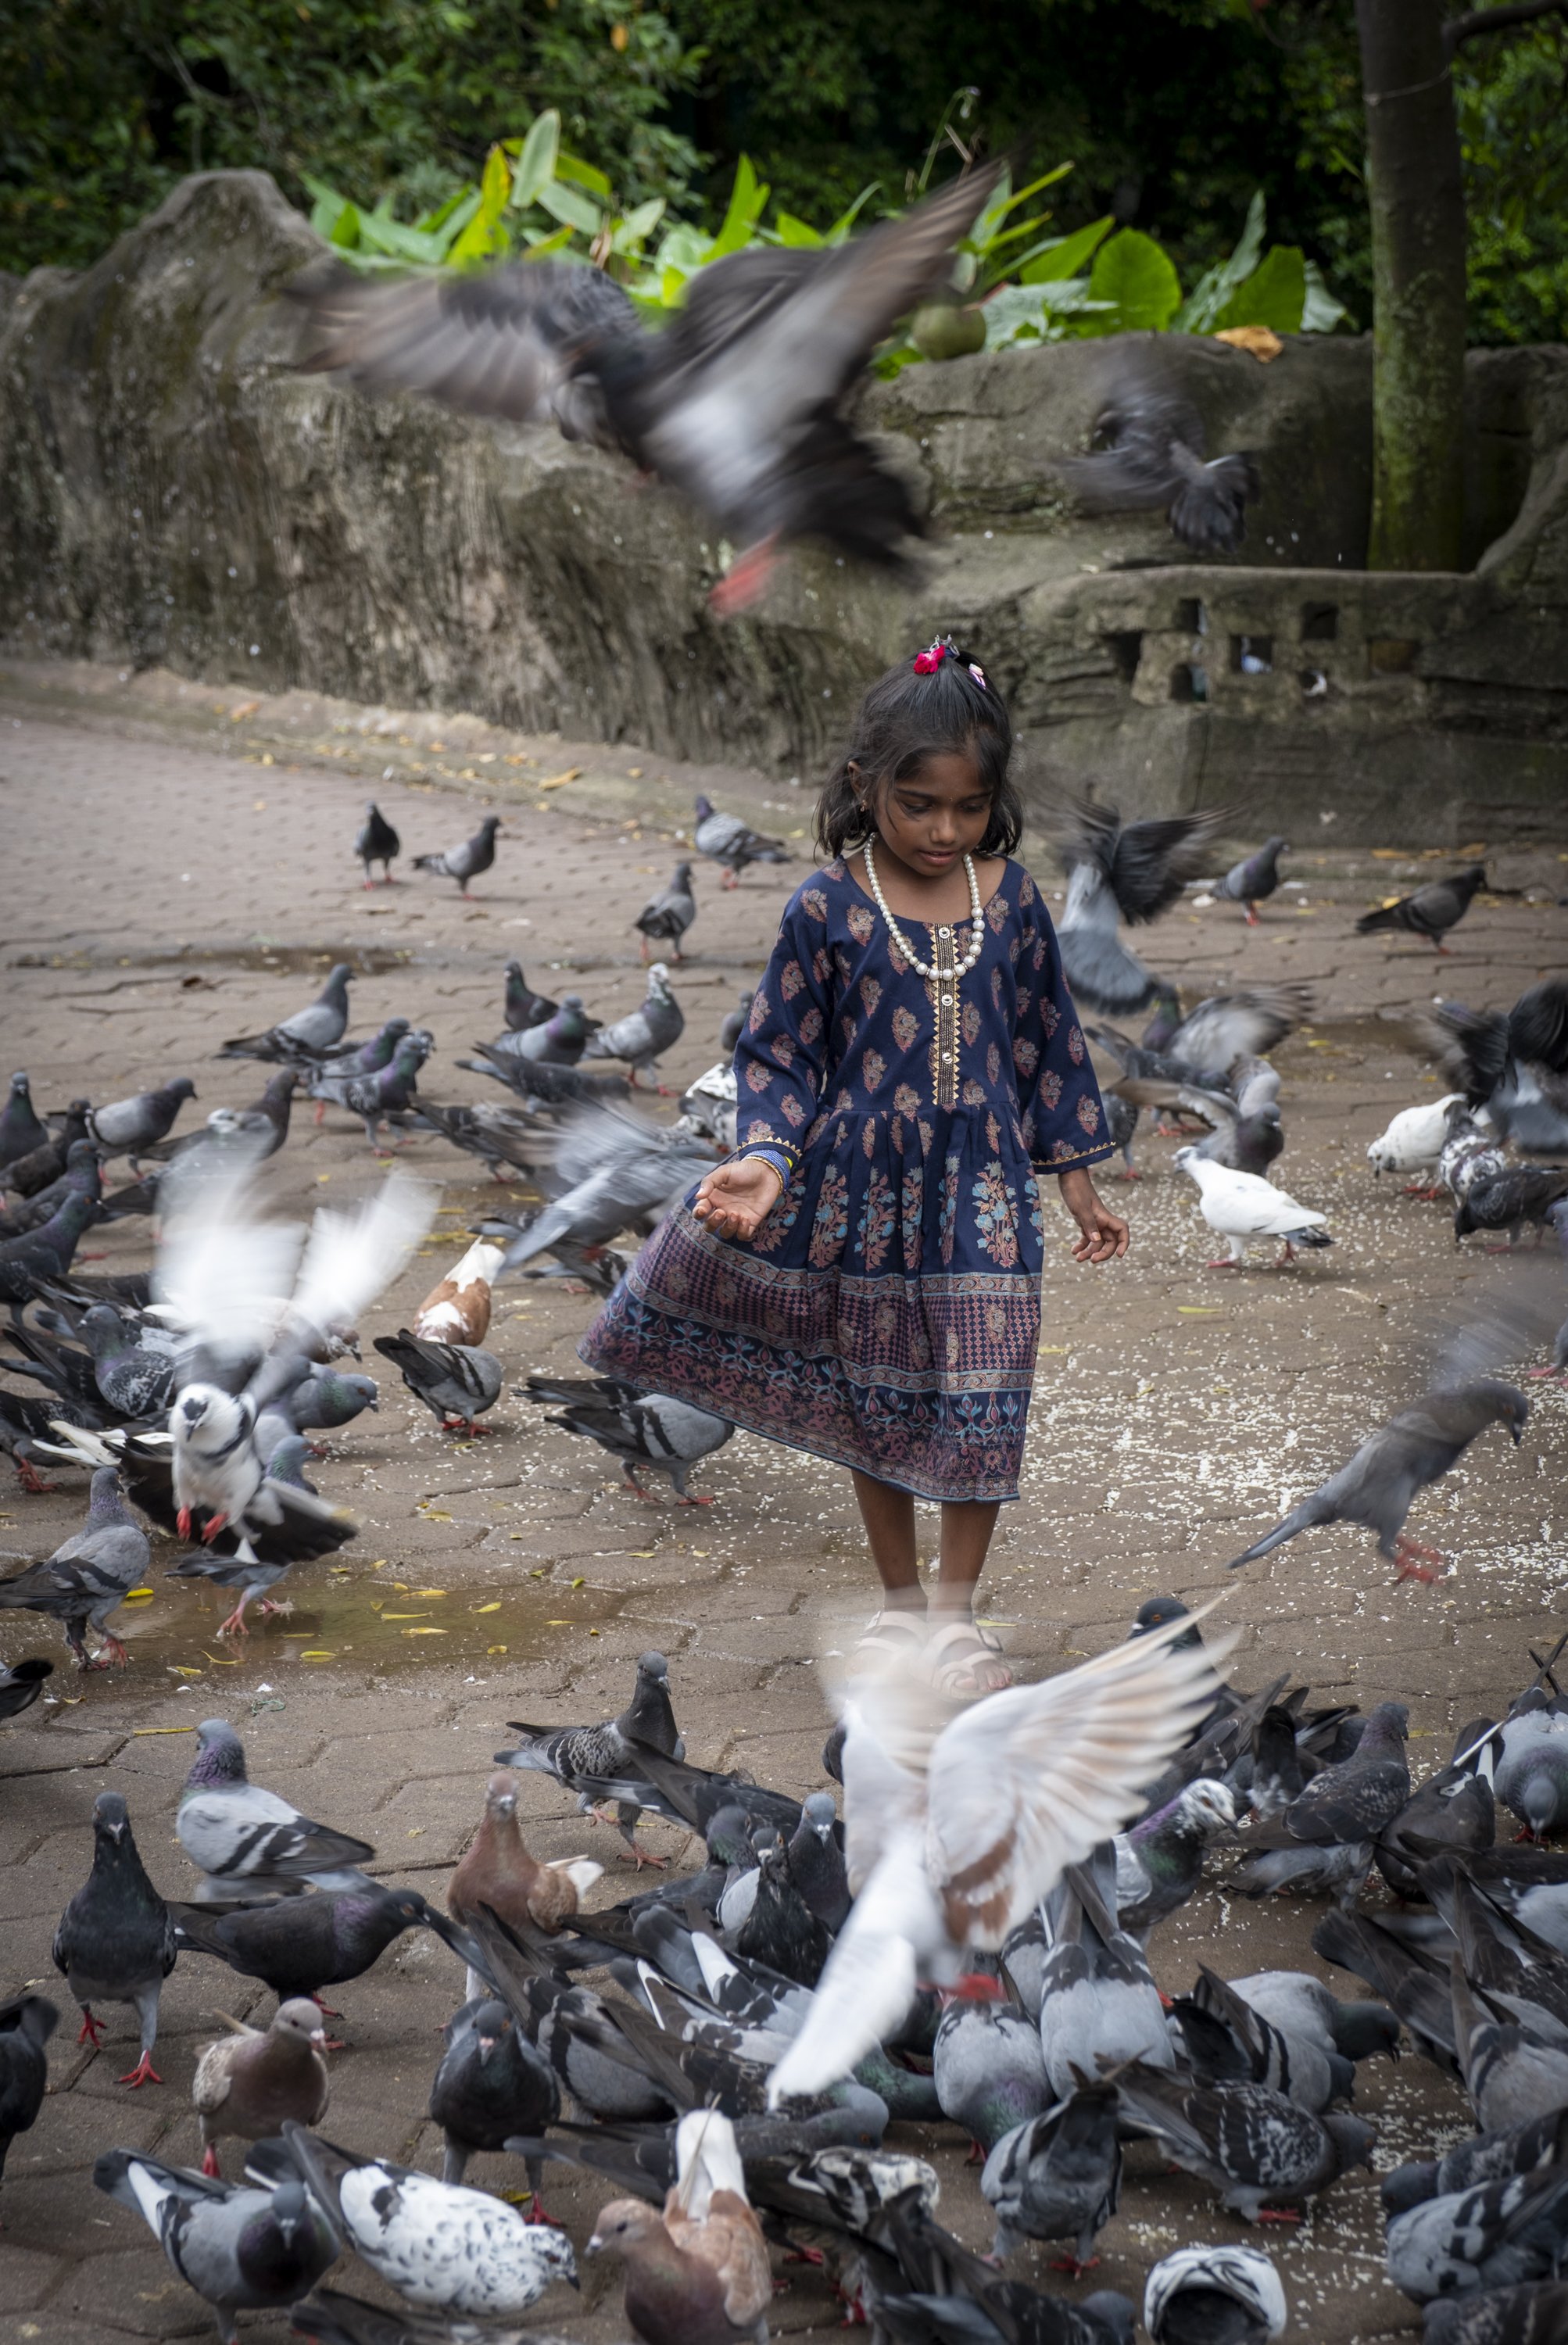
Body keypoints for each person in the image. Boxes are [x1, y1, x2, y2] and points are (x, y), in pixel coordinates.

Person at [581, 636, 1128, 1695]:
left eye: (967, 809)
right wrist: (766, 1159)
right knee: (877, 1399)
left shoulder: (1012, 899)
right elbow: (780, 1049)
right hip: (861, 1200)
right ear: (862, 787)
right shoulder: (825, 908)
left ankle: (954, 1619)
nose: (943, 829)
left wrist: (1077, 1178)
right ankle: (895, 1608)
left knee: (984, 1388)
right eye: (918, 804)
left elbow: (1048, 1041)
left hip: (984, 1198)